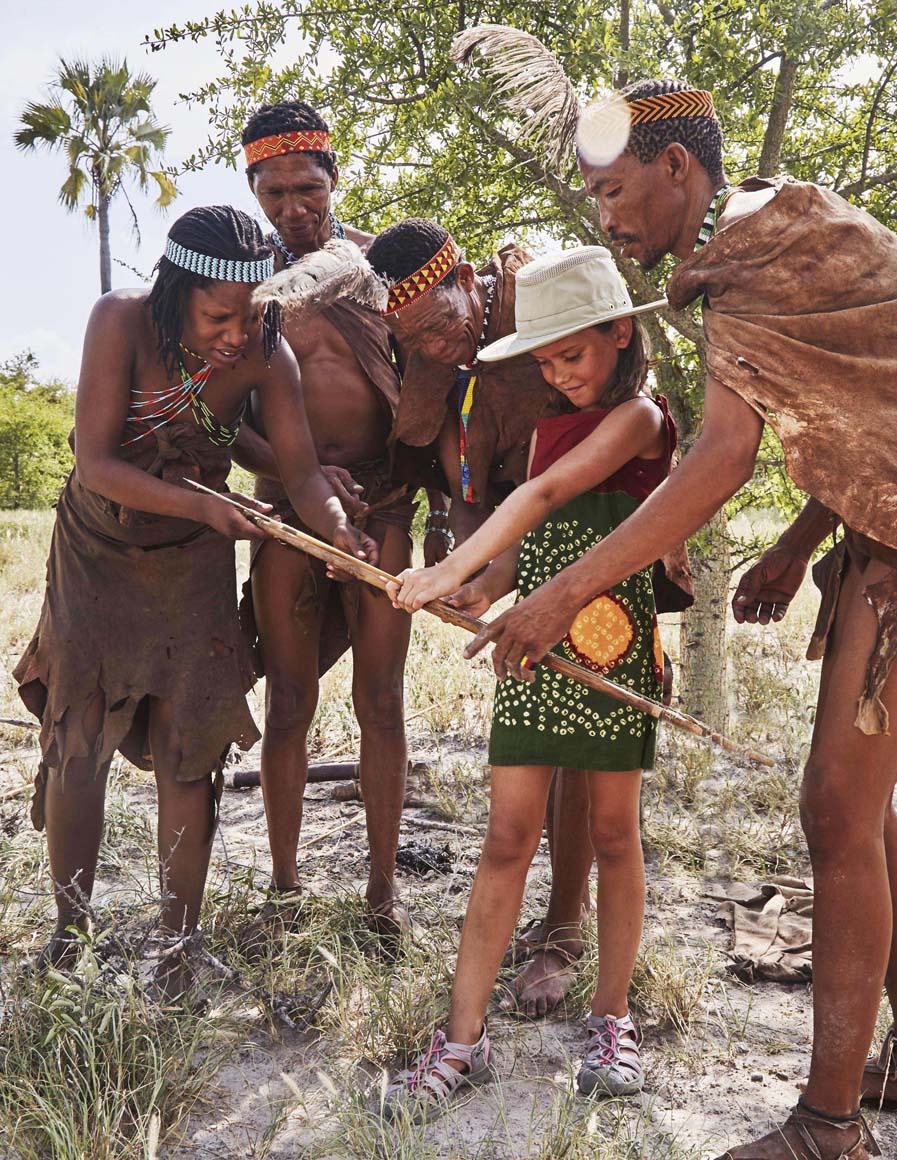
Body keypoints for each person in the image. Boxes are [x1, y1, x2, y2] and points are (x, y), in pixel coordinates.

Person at [463, 77, 897, 1158]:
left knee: (835, 808)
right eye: (592, 200)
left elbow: (719, 458)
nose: (607, 221)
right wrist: (799, 542)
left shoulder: (756, 245)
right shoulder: (755, 239)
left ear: (675, 170)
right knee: (861, 797)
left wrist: (561, 594)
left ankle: (827, 1124)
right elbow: (873, 395)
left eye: (616, 193)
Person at [13, 205, 374, 994]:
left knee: (191, 747)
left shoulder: (267, 354)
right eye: (221, 316)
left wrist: (340, 530)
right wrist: (212, 506)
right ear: (177, 294)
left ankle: (179, 943)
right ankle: (71, 933)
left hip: (193, 569)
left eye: (252, 314)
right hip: (97, 557)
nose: (239, 333)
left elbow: (304, 473)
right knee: (80, 742)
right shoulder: (120, 323)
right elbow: (97, 464)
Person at [376, 245, 673, 1119]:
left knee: (616, 837)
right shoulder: (547, 427)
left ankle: (611, 1019)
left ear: (621, 334)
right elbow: (522, 548)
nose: (559, 374)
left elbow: (542, 499)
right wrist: (472, 585)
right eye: (544, 361)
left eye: (571, 355)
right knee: (508, 837)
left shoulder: (641, 422)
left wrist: (455, 560)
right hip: (534, 659)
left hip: (612, 649)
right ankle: (461, 1038)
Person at [233, 102, 432, 941]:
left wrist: (393, 486)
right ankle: (284, 889)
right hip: (284, 517)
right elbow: (221, 417)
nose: (293, 208)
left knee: (381, 702)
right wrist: (299, 475)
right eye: (273, 192)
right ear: (252, 190)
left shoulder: (379, 276)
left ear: (335, 179)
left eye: (307, 188)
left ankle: (382, 896)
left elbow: (429, 386)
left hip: (380, 511)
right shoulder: (241, 286)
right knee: (289, 700)